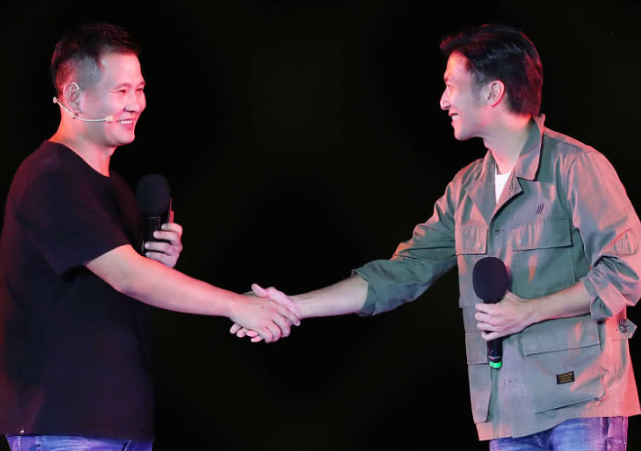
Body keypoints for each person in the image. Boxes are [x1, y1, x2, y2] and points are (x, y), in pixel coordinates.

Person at [234, 24, 641, 450]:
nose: (444, 101)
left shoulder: (575, 167)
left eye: (451, 86)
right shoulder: (466, 189)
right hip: (507, 414)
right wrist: (292, 306)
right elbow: (402, 273)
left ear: (493, 92)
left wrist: (529, 311)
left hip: (581, 403)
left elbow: (624, 273)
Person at [0, 23, 300, 451]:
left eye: (140, 89)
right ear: (74, 96)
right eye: (121, 91)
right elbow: (127, 276)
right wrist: (237, 305)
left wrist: (157, 265)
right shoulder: (50, 177)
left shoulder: (114, 187)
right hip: (64, 423)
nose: (135, 104)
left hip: (119, 424)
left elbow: (126, 282)